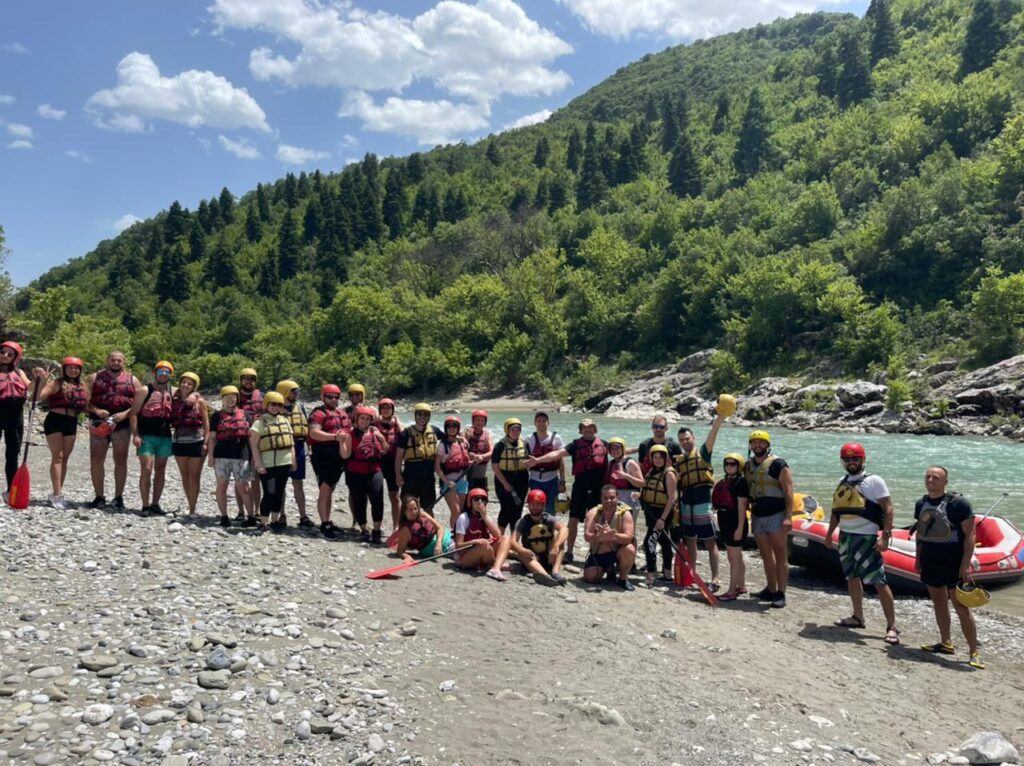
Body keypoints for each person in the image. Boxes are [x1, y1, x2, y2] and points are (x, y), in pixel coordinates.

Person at [824, 443, 900, 644]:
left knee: (879, 580)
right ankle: (857, 616)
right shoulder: (843, 481)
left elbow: (888, 508)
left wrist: (885, 536)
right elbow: (836, 511)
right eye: (847, 459)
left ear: (862, 460)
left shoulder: (874, 481)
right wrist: (829, 533)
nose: (851, 463)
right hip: (846, 536)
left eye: (855, 459)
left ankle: (891, 626)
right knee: (851, 577)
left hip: (866, 538)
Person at [914, 466, 985, 670]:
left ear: (945, 481)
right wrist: (918, 559)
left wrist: (965, 564)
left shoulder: (959, 504)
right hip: (930, 559)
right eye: (927, 476)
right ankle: (946, 642)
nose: (930, 480)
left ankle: (974, 651)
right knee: (938, 602)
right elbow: (920, 533)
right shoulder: (921, 503)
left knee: (961, 608)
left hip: (953, 561)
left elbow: (970, 535)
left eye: (936, 478)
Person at [526, 418, 606, 564]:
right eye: (585, 428)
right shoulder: (575, 445)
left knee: (596, 520)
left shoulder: (604, 444)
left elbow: (621, 452)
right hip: (580, 487)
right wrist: (538, 460)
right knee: (573, 520)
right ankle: (569, 552)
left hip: (597, 489)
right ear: (581, 431)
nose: (588, 430)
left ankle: (594, 552)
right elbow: (557, 454)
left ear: (595, 430)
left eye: (590, 428)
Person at [674, 409, 727, 591]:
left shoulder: (704, 453)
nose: (684, 442)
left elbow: (713, 434)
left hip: (703, 501)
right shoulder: (678, 460)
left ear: (693, 438)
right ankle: (692, 574)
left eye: (687, 438)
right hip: (686, 502)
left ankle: (715, 578)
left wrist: (719, 418)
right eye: (681, 440)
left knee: (710, 541)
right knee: (690, 541)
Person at [742, 430, 794, 608]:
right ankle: (771, 589)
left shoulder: (778, 464)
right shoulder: (748, 466)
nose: (758, 445)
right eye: (754, 442)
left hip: (777, 514)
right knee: (765, 555)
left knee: (780, 554)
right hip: (758, 514)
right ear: (750, 445)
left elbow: (788, 491)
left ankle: (781, 593)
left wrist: (788, 516)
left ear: (767, 445)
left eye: (761, 442)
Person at [85, 350, 141, 510]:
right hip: (98, 422)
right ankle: (99, 497)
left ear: (124, 362)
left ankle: (118, 497)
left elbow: (139, 404)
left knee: (120, 460)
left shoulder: (133, 380)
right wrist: (96, 411)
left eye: (119, 361)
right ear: (107, 360)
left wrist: (124, 414)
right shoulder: (94, 378)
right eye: (113, 360)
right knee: (96, 459)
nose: (116, 363)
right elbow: (84, 401)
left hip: (122, 424)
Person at [34, 356, 87, 509]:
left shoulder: (82, 385)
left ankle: (58, 492)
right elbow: (38, 397)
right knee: (58, 456)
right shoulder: (57, 383)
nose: (73, 370)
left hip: (71, 422)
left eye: (76, 368)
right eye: (70, 367)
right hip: (55, 419)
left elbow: (86, 405)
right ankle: (57, 495)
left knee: (65, 458)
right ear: (64, 369)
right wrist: (42, 381)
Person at [129, 361, 176, 515]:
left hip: (164, 436)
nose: (163, 375)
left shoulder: (173, 391)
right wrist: (135, 434)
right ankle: (145, 505)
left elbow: (192, 393)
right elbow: (134, 413)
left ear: (170, 375)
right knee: (146, 469)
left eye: (167, 372)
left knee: (160, 470)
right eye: (161, 372)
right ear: (155, 373)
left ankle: (155, 503)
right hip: (146, 436)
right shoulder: (144, 390)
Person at [248, 390, 296, 534]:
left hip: (284, 463)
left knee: (279, 492)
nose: (276, 407)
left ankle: (274, 521)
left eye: (279, 405)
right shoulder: (259, 423)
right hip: (268, 464)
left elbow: (291, 443)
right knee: (269, 492)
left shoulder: (285, 421)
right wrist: (259, 464)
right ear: (266, 405)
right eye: (273, 404)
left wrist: (293, 460)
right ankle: (263, 522)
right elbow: (254, 445)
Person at [207, 385, 254, 527]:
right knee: (222, 486)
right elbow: (212, 438)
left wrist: (253, 456)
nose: (230, 400)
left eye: (233, 398)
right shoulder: (216, 416)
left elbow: (251, 437)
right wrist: (210, 456)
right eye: (227, 398)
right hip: (222, 455)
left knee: (244, 487)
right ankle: (224, 516)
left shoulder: (246, 415)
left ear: (237, 399)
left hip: (242, 455)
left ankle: (250, 516)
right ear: (222, 399)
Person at [307, 384, 351, 538]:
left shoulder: (342, 413)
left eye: (336, 397)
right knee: (325, 489)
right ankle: (324, 524)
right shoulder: (318, 413)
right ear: (323, 397)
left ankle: (328, 520)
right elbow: (314, 433)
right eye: (330, 397)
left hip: (338, 456)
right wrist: (334, 437)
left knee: (330, 489)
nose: (333, 400)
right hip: (322, 456)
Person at [344, 405, 389, 543]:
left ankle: (376, 530)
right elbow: (345, 455)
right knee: (359, 500)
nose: (364, 421)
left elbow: (385, 450)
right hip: (355, 471)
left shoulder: (375, 433)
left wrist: (381, 438)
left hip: (374, 470)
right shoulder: (350, 434)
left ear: (371, 420)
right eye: (362, 418)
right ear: (357, 419)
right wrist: (341, 442)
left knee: (377, 498)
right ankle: (363, 528)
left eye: (367, 419)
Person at [582, 484, 637, 590]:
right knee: (590, 578)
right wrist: (599, 537)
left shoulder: (625, 514)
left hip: (617, 552)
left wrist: (612, 536)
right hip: (599, 553)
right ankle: (608, 569)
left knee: (630, 549)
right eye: (605, 498)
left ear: (618, 497)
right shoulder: (593, 512)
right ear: (601, 499)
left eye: (612, 498)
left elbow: (629, 537)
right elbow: (587, 536)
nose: (609, 501)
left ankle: (622, 579)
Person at [637, 445, 677, 587]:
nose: (658, 460)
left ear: (666, 458)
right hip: (651, 513)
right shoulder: (651, 472)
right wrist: (639, 495)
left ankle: (650, 576)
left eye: (661, 457)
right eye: (655, 457)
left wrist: (662, 519)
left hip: (662, 514)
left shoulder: (669, 474)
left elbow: (671, 499)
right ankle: (667, 575)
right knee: (664, 542)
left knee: (649, 542)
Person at [511, 489, 569, 586]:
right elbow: (513, 542)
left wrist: (556, 546)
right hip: (532, 558)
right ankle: (545, 576)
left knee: (560, 542)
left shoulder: (548, 519)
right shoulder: (523, 522)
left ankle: (555, 572)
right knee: (521, 553)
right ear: (528, 504)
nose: (535, 507)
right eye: (532, 504)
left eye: (539, 504)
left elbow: (565, 529)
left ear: (543, 505)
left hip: (549, 557)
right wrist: (521, 550)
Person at [170, 372, 209, 517]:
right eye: (184, 382)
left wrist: (206, 442)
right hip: (179, 441)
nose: (186, 385)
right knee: (184, 475)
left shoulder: (200, 402)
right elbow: (163, 387)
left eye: (190, 384)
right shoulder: (174, 399)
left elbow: (206, 423)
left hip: (196, 441)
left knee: (194, 476)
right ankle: (189, 504)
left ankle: (192, 508)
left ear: (194, 387)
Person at [712, 454, 749, 601]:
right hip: (725, 520)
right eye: (727, 464)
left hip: (735, 522)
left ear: (739, 466)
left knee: (733, 558)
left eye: (733, 464)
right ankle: (741, 586)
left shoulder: (741, 483)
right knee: (736, 556)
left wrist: (740, 528)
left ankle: (732, 591)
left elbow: (742, 508)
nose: (729, 466)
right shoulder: (726, 481)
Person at [454, 488, 513, 581]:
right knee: (485, 547)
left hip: (482, 549)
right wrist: (475, 541)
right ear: (470, 502)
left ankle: (496, 568)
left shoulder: (484, 516)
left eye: (483, 499)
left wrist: (485, 517)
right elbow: (458, 546)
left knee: (506, 538)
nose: (480, 501)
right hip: (465, 557)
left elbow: (498, 536)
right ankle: (497, 564)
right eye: (476, 499)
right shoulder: (463, 518)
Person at [395, 402, 444, 510]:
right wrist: (398, 475)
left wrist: (461, 437)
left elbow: (449, 437)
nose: (422, 417)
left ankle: (427, 526)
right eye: (419, 414)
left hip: (428, 476)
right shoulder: (405, 434)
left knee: (428, 506)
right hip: (410, 475)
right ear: (415, 416)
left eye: (425, 415)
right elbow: (398, 457)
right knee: (408, 505)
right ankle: (405, 526)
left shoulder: (434, 430)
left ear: (429, 417)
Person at [276, 379, 312, 528]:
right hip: (281, 447)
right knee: (281, 484)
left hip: (298, 446)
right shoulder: (275, 408)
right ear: (284, 392)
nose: (297, 394)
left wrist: (309, 447)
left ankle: (303, 515)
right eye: (293, 391)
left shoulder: (301, 407)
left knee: (298, 483)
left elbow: (307, 428)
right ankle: (281, 515)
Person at [0, 341, 32, 505]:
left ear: (15, 358)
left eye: (9, 354)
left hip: (15, 415)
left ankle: (10, 489)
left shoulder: (19, 372)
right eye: (2, 352)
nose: (5, 356)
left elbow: (31, 387)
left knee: (12, 454)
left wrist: (40, 378)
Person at [491, 418, 530, 533]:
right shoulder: (500, 445)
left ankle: (513, 540)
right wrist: (505, 484)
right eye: (512, 429)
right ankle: (500, 537)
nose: (515, 432)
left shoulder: (525, 443)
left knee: (518, 510)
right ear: (507, 430)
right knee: (506, 509)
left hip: (521, 479)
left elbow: (530, 460)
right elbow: (495, 467)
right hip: (503, 479)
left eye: (518, 429)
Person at [435, 415, 472, 528]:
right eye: (449, 426)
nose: (452, 428)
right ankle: (453, 535)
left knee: (460, 511)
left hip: (463, 481)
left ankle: (458, 534)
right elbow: (437, 467)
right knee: (455, 510)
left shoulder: (462, 442)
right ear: (446, 428)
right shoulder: (442, 445)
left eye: (454, 426)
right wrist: (447, 482)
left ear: (458, 428)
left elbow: (464, 460)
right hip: (449, 482)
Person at [394, 495, 453, 562]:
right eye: (410, 509)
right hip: (445, 548)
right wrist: (407, 556)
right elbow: (400, 550)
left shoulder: (422, 514)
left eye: (415, 508)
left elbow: (440, 528)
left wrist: (438, 543)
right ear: (404, 511)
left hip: (448, 536)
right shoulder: (405, 530)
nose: (414, 512)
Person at [526, 412, 564, 514]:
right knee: (535, 508)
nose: (541, 423)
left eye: (544, 421)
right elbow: (525, 461)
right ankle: (536, 529)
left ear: (548, 423)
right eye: (539, 421)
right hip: (535, 480)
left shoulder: (557, 438)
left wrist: (562, 482)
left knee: (551, 509)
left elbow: (561, 461)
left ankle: (550, 528)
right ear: (535, 423)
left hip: (552, 480)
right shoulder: (529, 439)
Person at [237, 367, 263, 518]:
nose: (249, 381)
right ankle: (241, 511)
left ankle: (257, 510)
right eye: (246, 378)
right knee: (240, 477)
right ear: (241, 380)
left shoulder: (261, 396)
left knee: (256, 478)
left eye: (252, 379)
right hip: (240, 440)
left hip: (257, 439)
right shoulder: (235, 396)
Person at [376, 398, 403, 529]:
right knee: (377, 495)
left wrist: (398, 421)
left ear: (392, 410)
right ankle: (377, 526)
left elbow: (404, 434)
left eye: (388, 408)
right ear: (380, 410)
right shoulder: (375, 423)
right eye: (383, 408)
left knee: (395, 497)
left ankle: (396, 527)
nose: (386, 410)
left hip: (393, 463)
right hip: (378, 462)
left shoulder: (397, 424)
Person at [606, 437, 643, 520]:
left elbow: (641, 483)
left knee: (628, 528)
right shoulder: (611, 463)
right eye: (612, 448)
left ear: (623, 448)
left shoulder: (630, 463)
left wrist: (626, 476)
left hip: (630, 499)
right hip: (615, 499)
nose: (615, 450)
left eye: (617, 448)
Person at [464, 409, 492, 492]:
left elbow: (492, 452)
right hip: (467, 472)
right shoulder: (466, 432)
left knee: (481, 495)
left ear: (485, 422)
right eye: (477, 420)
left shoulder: (488, 435)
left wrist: (480, 457)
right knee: (467, 498)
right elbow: (459, 448)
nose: (479, 422)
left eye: (482, 420)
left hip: (481, 473)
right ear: (473, 421)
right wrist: (466, 438)